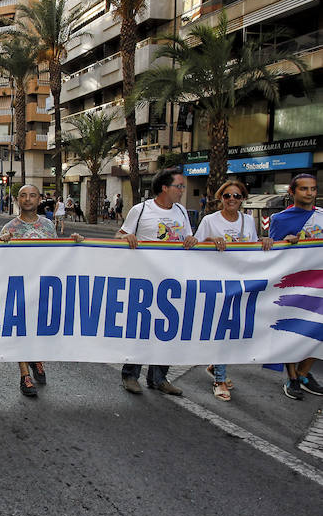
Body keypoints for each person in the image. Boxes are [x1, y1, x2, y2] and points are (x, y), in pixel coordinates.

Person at [116, 168, 197, 395]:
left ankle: (159, 378)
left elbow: (187, 239)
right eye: (179, 186)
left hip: (173, 280)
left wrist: (192, 239)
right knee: (142, 329)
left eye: (182, 187)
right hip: (145, 280)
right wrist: (126, 237)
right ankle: (130, 375)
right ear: (164, 188)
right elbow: (118, 236)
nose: (182, 191)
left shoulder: (181, 211)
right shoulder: (141, 210)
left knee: (167, 330)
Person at [194, 180, 273, 401]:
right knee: (223, 328)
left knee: (234, 328)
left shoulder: (248, 220)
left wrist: (265, 242)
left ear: (242, 199)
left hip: (242, 281)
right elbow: (195, 246)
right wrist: (210, 239)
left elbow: (253, 245)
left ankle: (215, 367)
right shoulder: (210, 220)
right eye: (227, 196)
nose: (231, 200)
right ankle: (219, 379)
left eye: (236, 196)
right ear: (221, 198)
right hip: (218, 282)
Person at [0, 185, 83, 396]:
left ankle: (36, 358)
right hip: (20, 288)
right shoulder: (8, 228)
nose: (28, 199)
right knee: (20, 329)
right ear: (17, 199)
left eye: (32, 196)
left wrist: (74, 244)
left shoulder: (48, 225)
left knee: (38, 328)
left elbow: (56, 253)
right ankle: (24, 374)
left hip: (43, 287)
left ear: (39, 200)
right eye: (23, 195)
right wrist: (3, 243)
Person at [269, 173, 323, 400]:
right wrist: (286, 243)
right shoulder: (280, 219)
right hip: (294, 283)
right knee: (292, 330)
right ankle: (292, 377)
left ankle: (304, 373)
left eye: (313, 189)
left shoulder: (322, 216)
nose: (310, 193)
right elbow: (271, 253)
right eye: (304, 189)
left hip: (319, 283)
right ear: (292, 192)